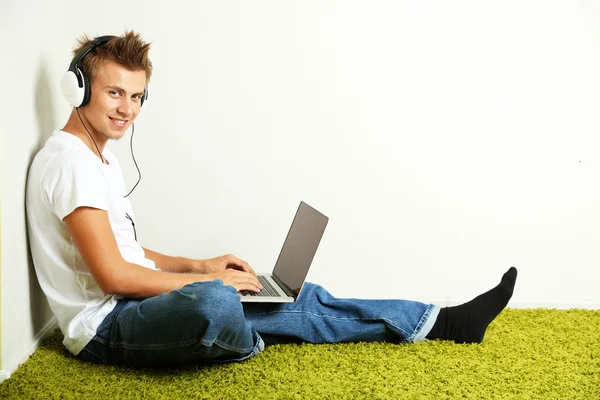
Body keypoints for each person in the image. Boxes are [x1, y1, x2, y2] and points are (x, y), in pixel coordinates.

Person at [26, 31, 518, 367]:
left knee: (289, 294)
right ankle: (243, 339)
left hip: (137, 306)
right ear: (80, 87)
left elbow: (127, 252)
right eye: (115, 94)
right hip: (105, 328)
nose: (127, 109)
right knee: (219, 300)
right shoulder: (70, 162)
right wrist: (209, 281)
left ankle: (447, 322)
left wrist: (201, 263)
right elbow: (113, 275)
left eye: (136, 97)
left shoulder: (97, 160)